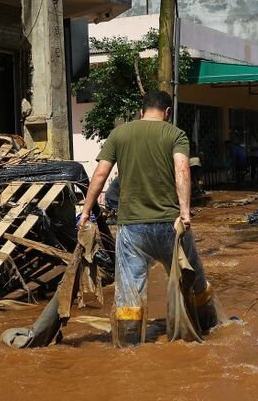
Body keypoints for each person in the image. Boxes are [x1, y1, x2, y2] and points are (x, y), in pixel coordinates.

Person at [79, 90, 218, 347]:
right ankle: (208, 329)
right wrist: (185, 213)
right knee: (193, 279)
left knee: (129, 294)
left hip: (132, 229)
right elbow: (182, 170)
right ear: (167, 112)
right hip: (170, 225)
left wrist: (86, 212)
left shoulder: (119, 134)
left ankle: (129, 348)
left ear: (141, 111)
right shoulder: (175, 134)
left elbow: (99, 175)